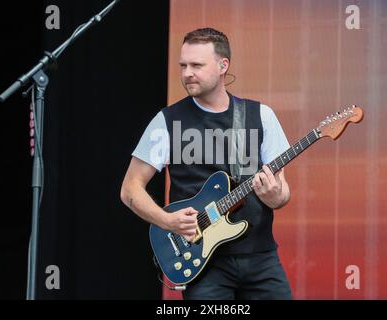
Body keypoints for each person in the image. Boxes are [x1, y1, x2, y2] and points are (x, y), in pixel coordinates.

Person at [120, 28, 293, 300]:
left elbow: (281, 194)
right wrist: (167, 221)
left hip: (261, 257)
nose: (187, 72)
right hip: (203, 261)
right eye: (183, 65)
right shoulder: (167, 121)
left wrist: (275, 195)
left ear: (223, 65)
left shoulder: (261, 115)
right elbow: (130, 189)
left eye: (197, 65)